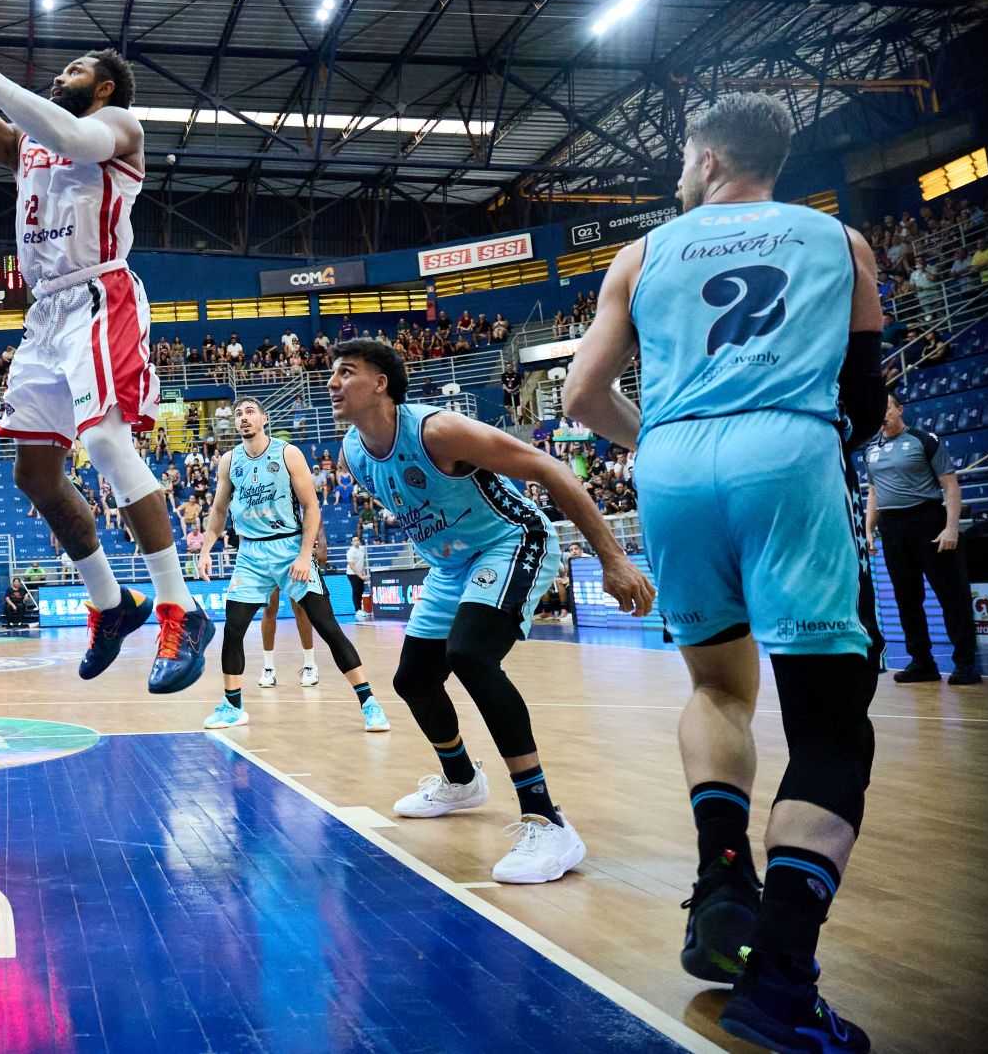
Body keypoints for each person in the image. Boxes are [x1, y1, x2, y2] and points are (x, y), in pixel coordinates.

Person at [565, 92, 887, 1051]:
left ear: (707, 159)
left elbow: (583, 395)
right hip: (788, 454)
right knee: (831, 721)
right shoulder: (843, 242)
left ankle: (720, 886)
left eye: (679, 160)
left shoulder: (644, 253)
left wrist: (660, 441)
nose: (676, 175)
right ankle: (782, 986)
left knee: (717, 685)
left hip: (670, 467)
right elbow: (865, 400)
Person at [0, 0, 212, 694]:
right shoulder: (29, 144)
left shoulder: (121, 129)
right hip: (44, 315)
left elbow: (71, 134)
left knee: (111, 443)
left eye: (75, 70)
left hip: (98, 293)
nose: (60, 75)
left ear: (106, 85)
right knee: (34, 474)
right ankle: (114, 605)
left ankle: (182, 607)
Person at [332, 339, 653, 884]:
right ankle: (461, 780)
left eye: (346, 372)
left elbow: (548, 469)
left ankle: (547, 820)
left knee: (472, 655)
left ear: (381, 383)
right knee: (413, 679)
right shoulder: (353, 453)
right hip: (451, 564)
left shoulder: (439, 431)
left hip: (510, 540)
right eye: (332, 374)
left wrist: (613, 558)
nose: (333, 383)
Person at [194, 398, 388, 734]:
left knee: (327, 627)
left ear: (264, 419)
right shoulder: (229, 461)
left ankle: (370, 703)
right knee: (234, 628)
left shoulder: (288, 453)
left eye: (250, 412)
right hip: (250, 555)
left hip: (289, 548)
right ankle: (232, 706)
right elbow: (219, 512)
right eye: (238, 414)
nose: (243, 418)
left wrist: (303, 555)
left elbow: (311, 507)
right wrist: (206, 550)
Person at [863, 395, 977, 684]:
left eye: (886, 407)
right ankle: (922, 662)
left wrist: (951, 528)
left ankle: (965, 662)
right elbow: (874, 494)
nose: (881, 413)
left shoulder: (924, 440)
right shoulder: (870, 449)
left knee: (951, 594)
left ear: (899, 410)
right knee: (906, 597)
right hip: (891, 526)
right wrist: (869, 531)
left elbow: (950, 485)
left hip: (928, 520)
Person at [345, 532, 370, 620]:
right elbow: (352, 566)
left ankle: (360, 609)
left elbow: (362, 561)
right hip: (352, 574)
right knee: (356, 591)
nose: (356, 542)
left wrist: (362, 572)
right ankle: (357, 610)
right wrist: (360, 575)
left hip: (360, 573)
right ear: (352, 542)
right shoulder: (350, 552)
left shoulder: (362, 549)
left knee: (361, 590)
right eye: (354, 541)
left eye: (357, 540)